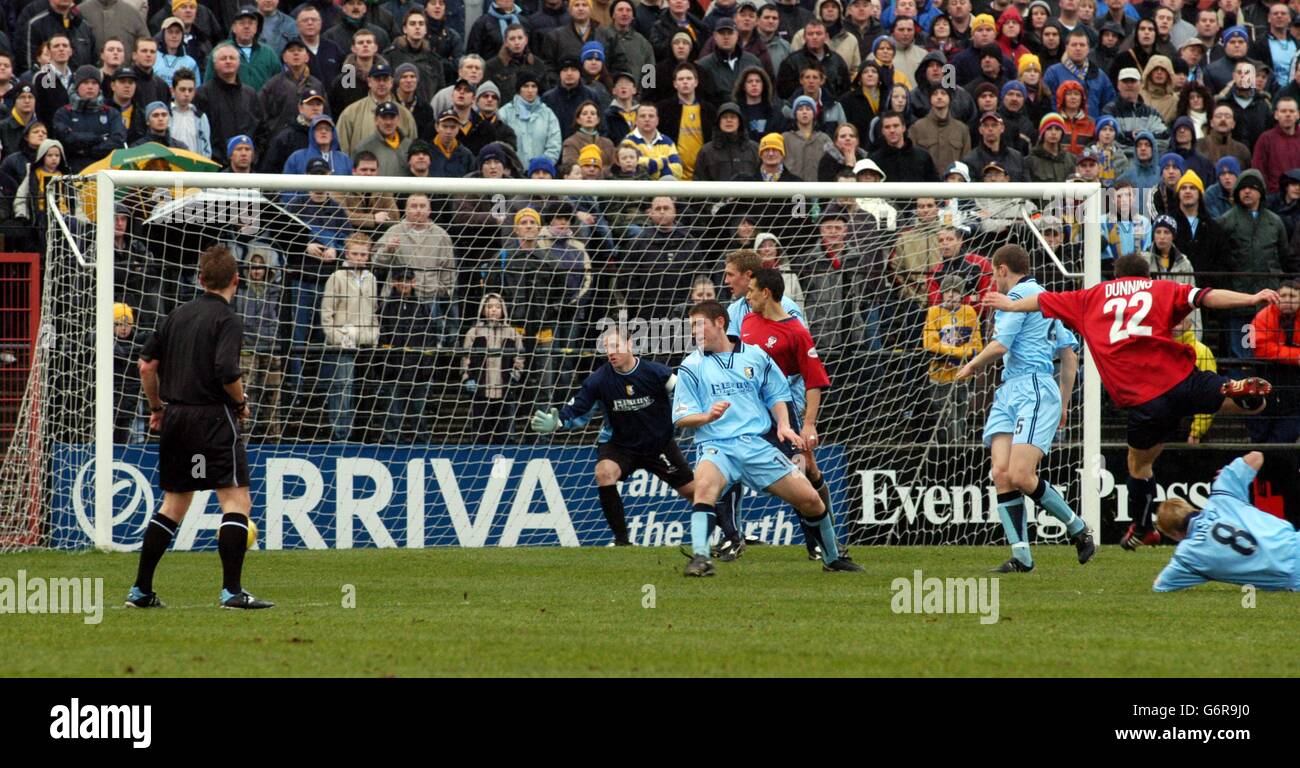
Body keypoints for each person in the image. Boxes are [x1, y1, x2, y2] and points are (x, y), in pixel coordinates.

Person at [985, 253, 1282, 550]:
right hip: (1182, 380)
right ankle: (1235, 392)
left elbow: (1042, 301)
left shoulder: (1092, 296)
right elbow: (1208, 296)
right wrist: (1251, 297)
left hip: (1144, 400)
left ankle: (1142, 527)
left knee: (1139, 466)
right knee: (1246, 400)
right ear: (1146, 276)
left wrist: (1011, 304)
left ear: (1116, 275)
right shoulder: (1162, 289)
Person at [128, 245, 274, 610]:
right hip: (212, 416)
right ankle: (231, 592)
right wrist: (240, 403)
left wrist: (156, 407)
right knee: (236, 500)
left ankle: (141, 591)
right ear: (236, 280)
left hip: (176, 417)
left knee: (174, 504)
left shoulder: (176, 315)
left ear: (200, 278)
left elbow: (146, 366)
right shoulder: (227, 320)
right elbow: (227, 371)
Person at [672, 300, 860, 576]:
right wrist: (706, 417)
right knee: (704, 490)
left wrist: (783, 425)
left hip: (755, 446)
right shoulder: (691, 365)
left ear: (720, 323)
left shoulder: (756, 356)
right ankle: (700, 558)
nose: (694, 332)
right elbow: (681, 417)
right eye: (691, 327)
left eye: (699, 325)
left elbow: (777, 395)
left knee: (811, 501)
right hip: (717, 446)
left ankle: (833, 559)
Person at [955, 244, 1092, 572]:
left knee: (1019, 474)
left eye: (992, 273)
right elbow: (1069, 354)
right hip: (1011, 390)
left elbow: (1001, 344)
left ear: (1002, 269)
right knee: (1001, 474)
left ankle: (1077, 527)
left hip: (1031, 386)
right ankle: (1021, 556)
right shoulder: (1043, 298)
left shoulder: (1017, 298)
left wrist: (971, 366)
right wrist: (1064, 400)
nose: (993, 280)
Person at [530, 328, 696, 545]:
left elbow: (688, 393)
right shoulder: (598, 381)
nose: (611, 352)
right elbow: (578, 409)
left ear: (630, 345)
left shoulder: (657, 373)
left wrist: (698, 415)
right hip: (620, 445)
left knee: (695, 492)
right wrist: (558, 422)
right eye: (607, 348)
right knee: (604, 472)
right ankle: (622, 541)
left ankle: (732, 533)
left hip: (659, 445)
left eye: (616, 346)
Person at [740, 268, 847, 564]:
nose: (746, 296)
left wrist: (809, 423)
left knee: (805, 473)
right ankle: (730, 537)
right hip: (748, 413)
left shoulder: (796, 331)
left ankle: (825, 543)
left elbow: (814, 380)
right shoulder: (748, 322)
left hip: (782, 415)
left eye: (751, 291)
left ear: (766, 293)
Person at [1153, 452, 1300, 592]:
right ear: (1191, 508)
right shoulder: (1222, 495)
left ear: (1175, 534)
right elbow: (1256, 457)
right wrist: (1226, 472)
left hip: (1291, 575)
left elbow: (1160, 586)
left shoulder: (1188, 555)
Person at [461, 293, 526, 443]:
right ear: (483, 310)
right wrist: (467, 378)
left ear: (503, 310)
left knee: (505, 435)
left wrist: (514, 376)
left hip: (505, 390)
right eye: (490, 307)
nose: (494, 310)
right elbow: (465, 358)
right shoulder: (474, 332)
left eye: (497, 307)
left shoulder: (512, 333)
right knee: (480, 435)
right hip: (480, 390)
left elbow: (520, 357)